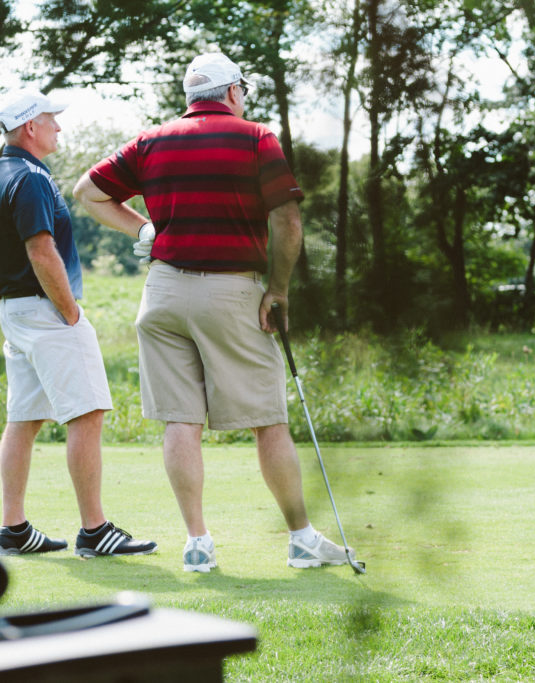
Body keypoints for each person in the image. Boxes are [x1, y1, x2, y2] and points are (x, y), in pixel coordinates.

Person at [73, 53, 356, 572]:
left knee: (181, 420)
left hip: (162, 294)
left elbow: (86, 193)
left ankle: (197, 543)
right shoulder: (256, 137)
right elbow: (288, 220)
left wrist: (142, 230)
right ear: (231, 93)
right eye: (242, 89)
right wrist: (279, 289)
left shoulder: (151, 140)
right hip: (230, 291)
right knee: (268, 420)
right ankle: (301, 539)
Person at [0, 88, 156, 559]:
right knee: (87, 413)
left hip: (16, 314)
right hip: (46, 311)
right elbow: (41, 251)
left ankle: (14, 529)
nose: (58, 127)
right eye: (51, 119)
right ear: (29, 128)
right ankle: (95, 531)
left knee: (24, 418)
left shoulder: (4, 173)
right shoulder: (32, 178)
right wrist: (71, 313)